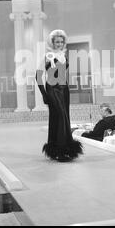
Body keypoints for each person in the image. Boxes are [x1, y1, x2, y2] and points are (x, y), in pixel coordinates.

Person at [35, 29, 83, 162]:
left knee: (64, 118)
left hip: (64, 90)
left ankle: (61, 148)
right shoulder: (47, 56)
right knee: (61, 116)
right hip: (52, 89)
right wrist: (44, 94)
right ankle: (61, 150)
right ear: (52, 42)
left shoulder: (64, 55)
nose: (60, 44)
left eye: (62, 41)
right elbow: (38, 76)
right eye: (57, 42)